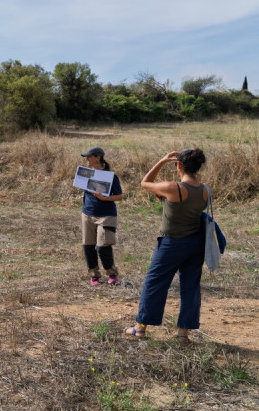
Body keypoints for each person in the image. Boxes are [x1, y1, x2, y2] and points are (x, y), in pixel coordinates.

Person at [125, 148, 208, 345]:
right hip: (196, 243)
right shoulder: (205, 190)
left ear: (178, 165)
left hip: (172, 243)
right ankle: (183, 334)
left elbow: (145, 182)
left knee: (155, 283)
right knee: (191, 287)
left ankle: (140, 328)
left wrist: (162, 161)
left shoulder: (174, 188)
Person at [79, 146, 123, 285]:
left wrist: (104, 198)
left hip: (106, 215)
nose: (87, 159)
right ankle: (94, 275)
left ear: (98, 157)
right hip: (87, 214)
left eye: (89, 156)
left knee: (102, 246)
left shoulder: (110, 176)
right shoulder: (86, 173)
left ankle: (112, 274)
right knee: (88, 246)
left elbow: (120, 196)